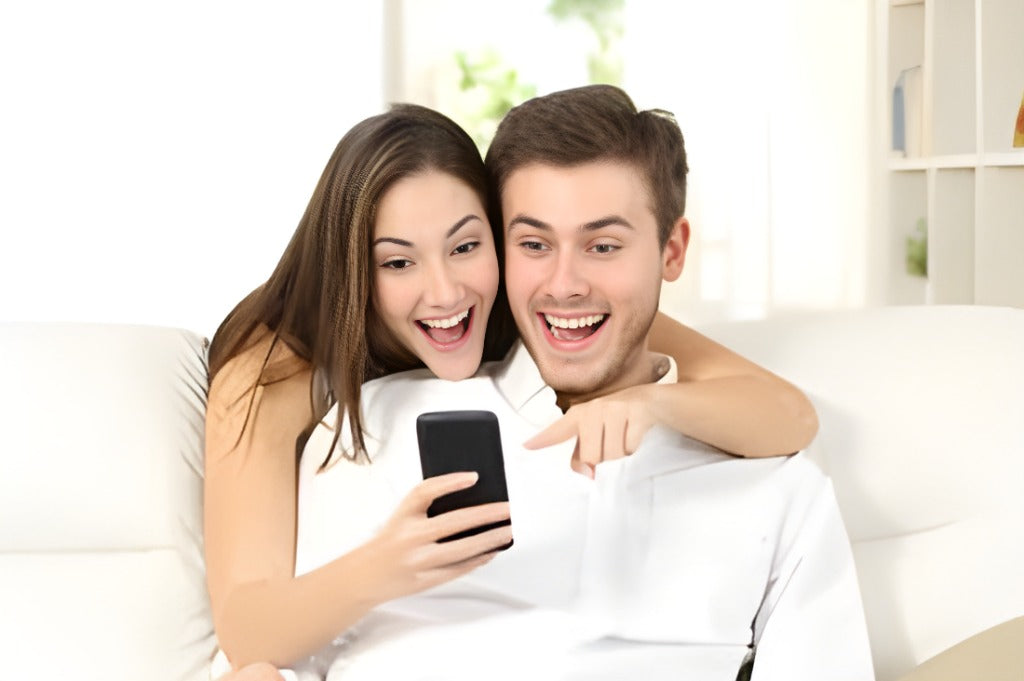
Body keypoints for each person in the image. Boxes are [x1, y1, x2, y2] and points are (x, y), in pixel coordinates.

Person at [204, 102, 820, 679]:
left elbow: (789, 414)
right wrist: (388, 563)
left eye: (466, 246)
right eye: (398, 262)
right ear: (353, 269)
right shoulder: (272, 369)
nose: (446, 292)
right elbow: (245, 629)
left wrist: (644, 403)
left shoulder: (537, 305)